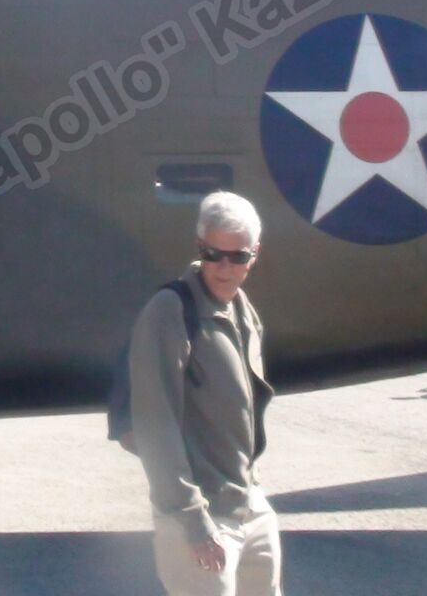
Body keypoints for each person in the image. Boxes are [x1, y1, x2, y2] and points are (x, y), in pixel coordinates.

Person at [128, 191, 280, 596]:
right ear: (200, 248)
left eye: (238, 257)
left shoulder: (243, 310)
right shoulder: (170, 312)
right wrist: (192, 521)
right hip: (200, 518)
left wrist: (254, 497)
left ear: (255, 255)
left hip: (249, 506)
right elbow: (153, 427)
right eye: (214, 255)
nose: (225, 268)